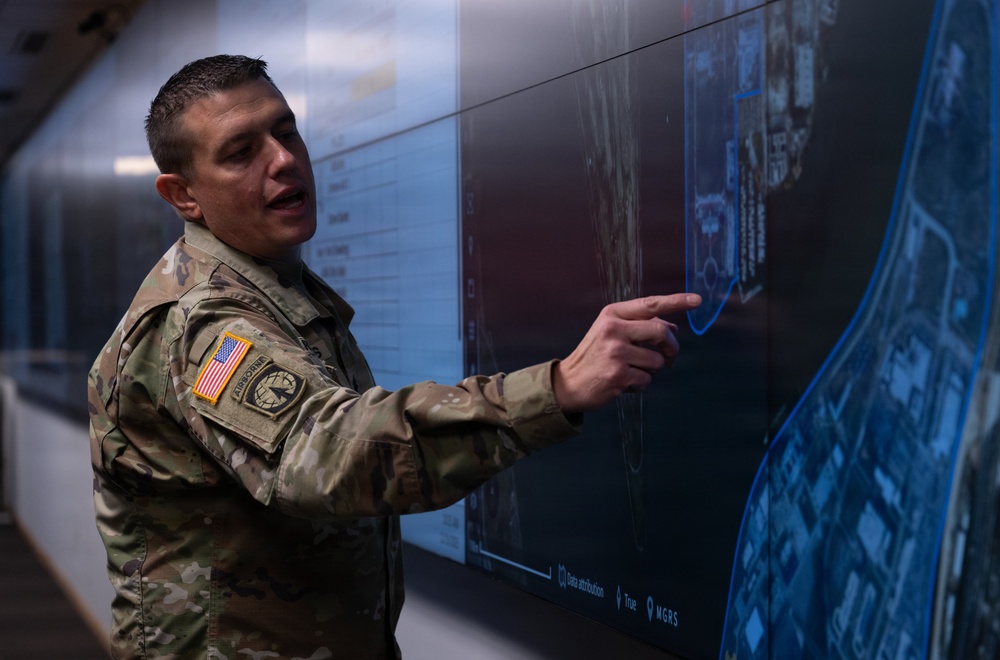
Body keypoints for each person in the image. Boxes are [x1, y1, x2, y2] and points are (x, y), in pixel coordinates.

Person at [87, 54, 700, 659]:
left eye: (286, 130)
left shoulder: (269, 286)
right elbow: (325, 455)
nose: (283, 159)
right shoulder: (200, 324)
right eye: (241, 152)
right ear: (184, 195)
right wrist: (557, 387)